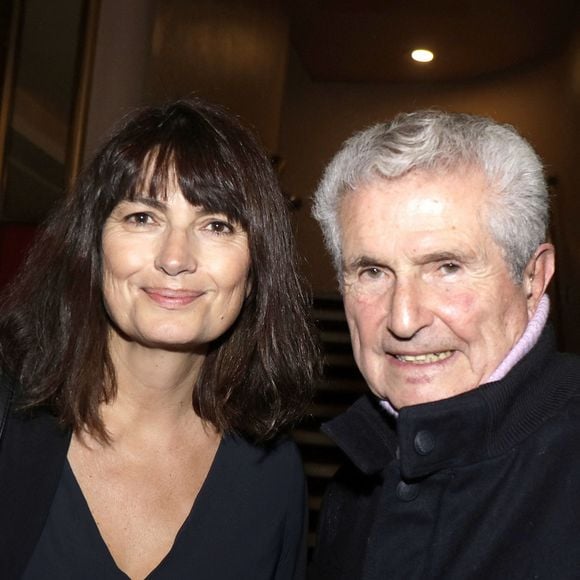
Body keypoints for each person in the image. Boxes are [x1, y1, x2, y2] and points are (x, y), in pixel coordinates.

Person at [0, 98, 318, 579]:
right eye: (143, 218)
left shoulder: (271, 473)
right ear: (93, 245)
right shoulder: (7, 419)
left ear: (255, 270)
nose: (175, 258)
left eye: (215, 225)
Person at [309, 110, 580, 579]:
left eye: (446, 267)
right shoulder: (353, 484)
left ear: (533, 277)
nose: (404, 318)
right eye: (373, 272)